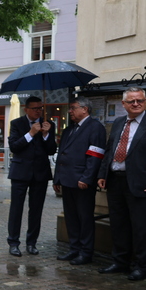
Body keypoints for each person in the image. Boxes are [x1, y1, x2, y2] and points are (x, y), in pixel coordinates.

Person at [97, 88, 146, 281]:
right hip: (116, 182)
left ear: (145, 102)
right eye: (131, 101)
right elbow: (110, 150)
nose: (136, 104)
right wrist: (103, 174)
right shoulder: (119, 123)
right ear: (124, 104)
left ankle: (142, 267)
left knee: (142, 228)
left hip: (143, 185)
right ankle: (120, 262)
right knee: (119, 225)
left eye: (140, 100)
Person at [52, 97, 107, 265]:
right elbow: (61, 154)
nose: (70, 111)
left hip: (82, 182)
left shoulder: (95, 128)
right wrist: (57, 178)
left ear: (85, 109)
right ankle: (74, 248)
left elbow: (96, 156)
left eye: (73, 108)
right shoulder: (69, 130)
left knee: (84, 218)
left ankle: (86, 252)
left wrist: (87, 178)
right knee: (71, 217)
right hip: (67, 180)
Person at [6, 96, 58, 256]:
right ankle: (13, 242)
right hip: (20, 173)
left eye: (40, 108)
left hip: (40, 173)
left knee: (36, 210)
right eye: (35, 108)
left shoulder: (48, 124)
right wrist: (31, 133)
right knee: (16, 209)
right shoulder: (17, 124)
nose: (38, 111)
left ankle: (31, 242)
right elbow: (14, 147)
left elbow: (51, 150)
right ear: (26, 109)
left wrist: (45, 135)